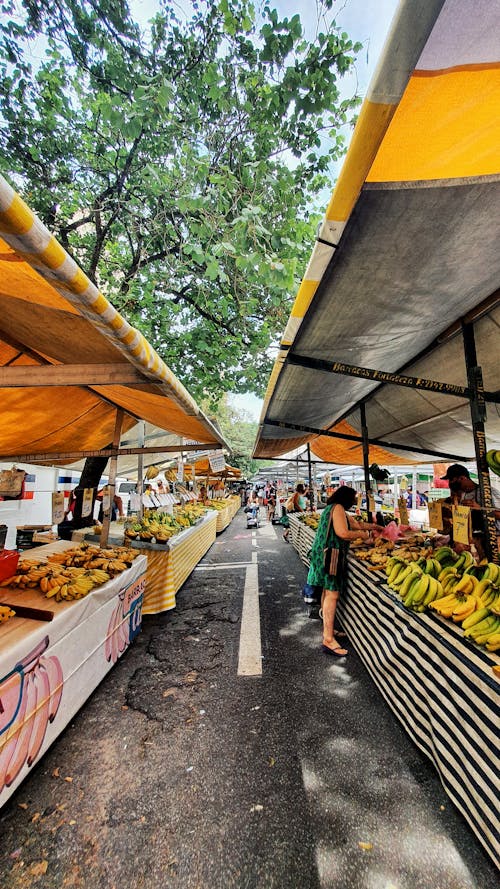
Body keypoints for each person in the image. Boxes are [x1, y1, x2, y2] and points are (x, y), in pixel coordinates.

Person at [306, 486, 378, 656]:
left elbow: (356, 523)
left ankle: (328, 628)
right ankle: (328, 639)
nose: (355, 501)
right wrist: (362, 534)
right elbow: (343, 532)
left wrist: (375, 528)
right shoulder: (337, 508)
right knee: (333, 594)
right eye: (354, 498)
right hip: (330, 555)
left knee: (326, 590)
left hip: (323, 554)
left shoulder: (335, 509)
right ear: (346, 498)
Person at [441, 464, 500, 559]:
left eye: (451, 480)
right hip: (474, 542)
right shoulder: (464, 494)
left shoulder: (488, 492)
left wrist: (480, 508)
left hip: (492, 541)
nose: (450, 483)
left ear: (462, 478)